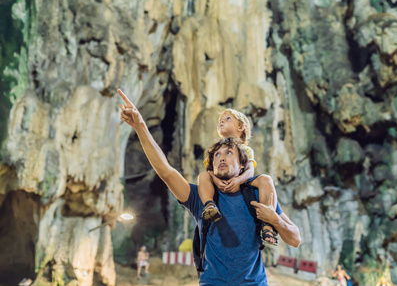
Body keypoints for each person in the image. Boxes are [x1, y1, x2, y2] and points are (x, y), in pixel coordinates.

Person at [118, 89, 301, 285]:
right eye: (217, 155)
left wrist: (275, 221)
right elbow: (165, 170)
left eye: (229, 152)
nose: (221, 156)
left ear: (242, 164)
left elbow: (295, 239)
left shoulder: (257, 195)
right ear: (211, 166)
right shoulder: (201, 197)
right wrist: (140, 126)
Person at [198, 108, 278, 245]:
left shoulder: (246, 150)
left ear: (241, 127)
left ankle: (267, 224)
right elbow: (210, 169)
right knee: (203, 176)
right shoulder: (216, 149)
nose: (221, 121)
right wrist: (216, 180)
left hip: (242, 181)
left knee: (266, 179)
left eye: (227, 119)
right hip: (220, 179)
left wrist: (238, 180)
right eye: (220, 121)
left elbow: (250, 170)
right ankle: (209, 205)